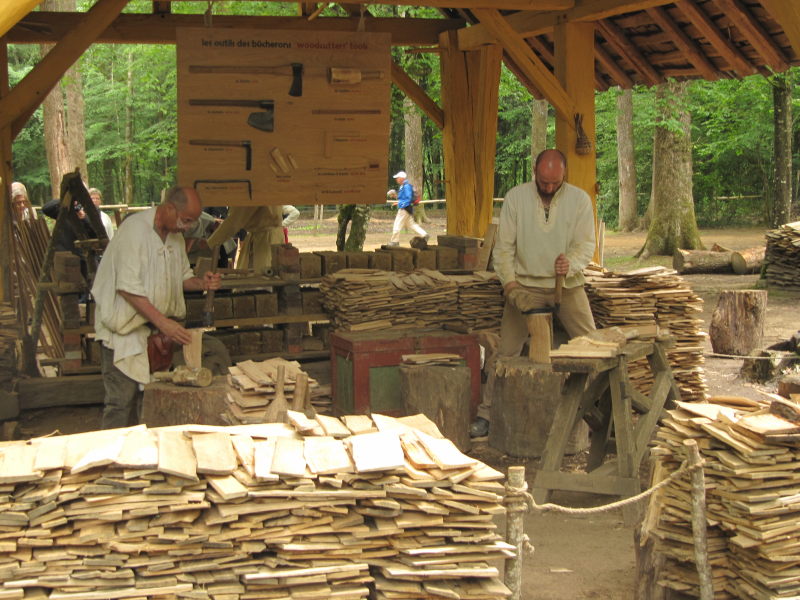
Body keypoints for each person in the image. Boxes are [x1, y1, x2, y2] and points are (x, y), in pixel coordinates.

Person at [470, 149, 596, 438]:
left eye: (555, 183)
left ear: (564, 176)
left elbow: (585, 245)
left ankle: (596, 412)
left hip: (567, 284)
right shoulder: (516, 197)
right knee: (506, 351)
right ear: (534, 172)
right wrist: (511, 286)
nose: (549, 188)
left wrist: (571, 264)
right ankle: (487, 414)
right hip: (524, 285)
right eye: (544, 182)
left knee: (592, 345)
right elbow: (504, 249)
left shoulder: (579, 200)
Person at [92, 186, 230, 429]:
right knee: (120, 402)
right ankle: (111, 459)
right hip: (124, 333)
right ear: (168, 208)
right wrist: (164, 323)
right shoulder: (134, 231)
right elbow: (127, 287)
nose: (187, 227)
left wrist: (202, 283)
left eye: (191, 222)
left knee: (150, 399)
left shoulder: (175, 238)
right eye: (185, 220)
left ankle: (143, 457)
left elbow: (181, 278)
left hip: (154, 335)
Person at [387, 170, 427, 246]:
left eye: (397, 178)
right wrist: (396, 199)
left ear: (402, 178)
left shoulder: (406, 186)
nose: (396, 179)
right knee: (411, 224)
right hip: (406, 208)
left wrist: (400, 203)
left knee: (397, 224)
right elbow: (403, 198)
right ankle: (424, 235)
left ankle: (395, 241)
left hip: (404, 208)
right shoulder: (403, 186)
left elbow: (408, 199)